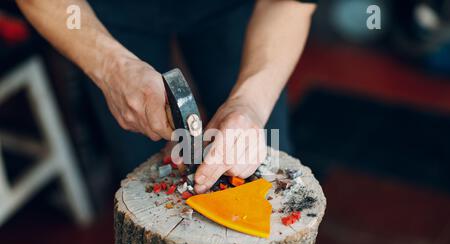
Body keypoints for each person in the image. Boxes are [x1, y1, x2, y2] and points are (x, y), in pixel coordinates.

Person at [16, 0, 316, 193]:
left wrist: (249, 103)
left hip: (232, 9)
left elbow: (290, 3)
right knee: (144, 179)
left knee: (265, 166)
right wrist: (111, 68)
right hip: (106, 14)